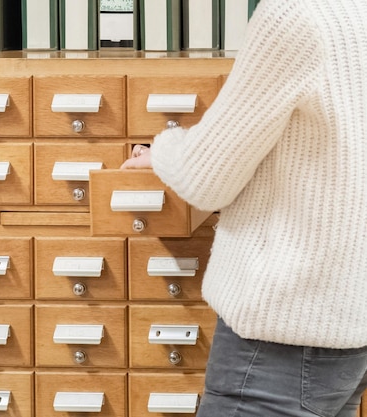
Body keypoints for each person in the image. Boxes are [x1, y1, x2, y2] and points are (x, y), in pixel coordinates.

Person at [120, 0, 367, 416]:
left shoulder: (295, 15)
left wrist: (163, 149)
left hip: (280, 338)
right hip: (348, 334)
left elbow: (205, 179)